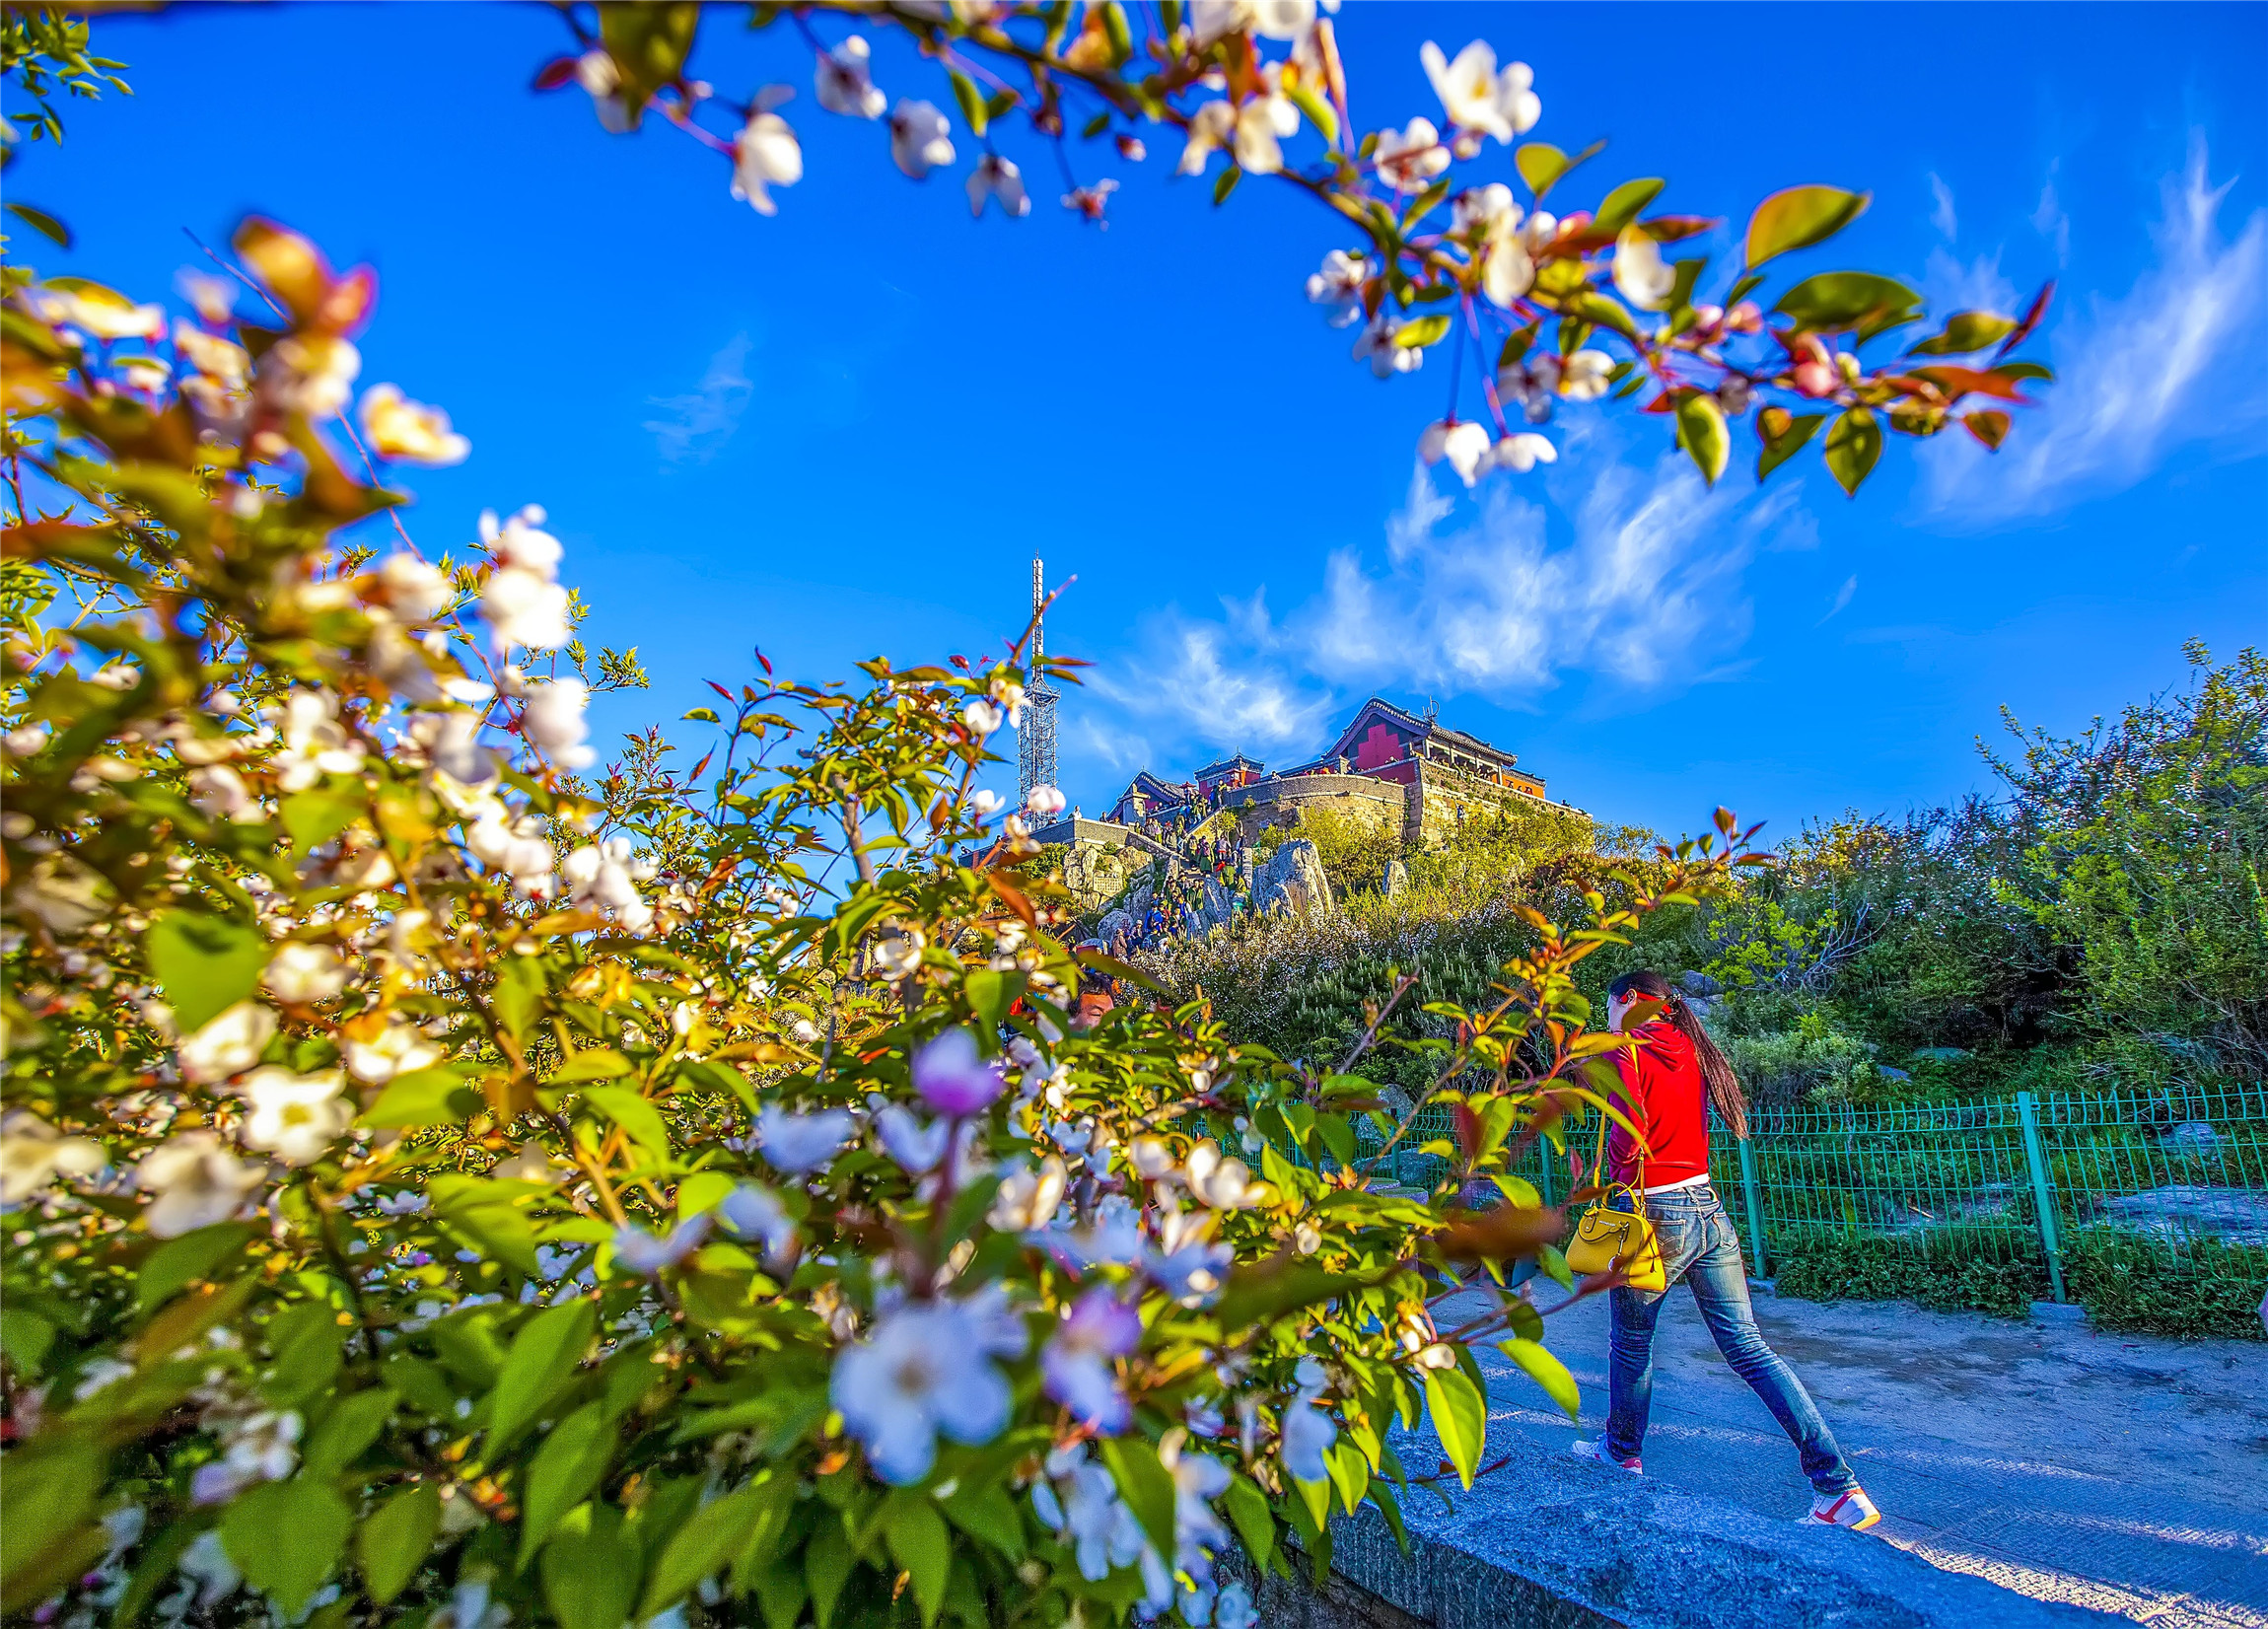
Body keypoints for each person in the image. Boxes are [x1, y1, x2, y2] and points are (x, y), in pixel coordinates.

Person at [1566, 968, 1883, 1532]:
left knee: (1632, 1345)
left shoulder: (1622, 1048)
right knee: (1750, 1349)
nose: (1606, 1018)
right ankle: (1838, 1487)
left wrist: (1611, 1174)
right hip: (1708, 1208)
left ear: (1629, 1001)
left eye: (1608, 1007)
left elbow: (1628, 1129)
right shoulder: (1691, 1045)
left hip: (1653, 1216)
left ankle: (1621, 1453)